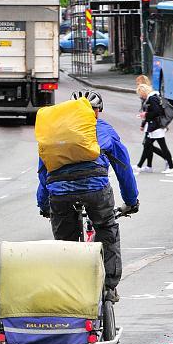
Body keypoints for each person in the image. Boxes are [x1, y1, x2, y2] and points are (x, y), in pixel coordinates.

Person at [37, 91, 139, 301]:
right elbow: (124, 168)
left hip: (59, 192)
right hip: (95, 189)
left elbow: (43, 172)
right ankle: (109, 287)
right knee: (106, 228)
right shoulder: (105, 130)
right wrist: (130, 201)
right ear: (97, 112)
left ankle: (67, 288)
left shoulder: (56, 134)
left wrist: (44, 204)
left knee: (65, 241)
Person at [135, 83, 173, 174]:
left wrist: (145, 114)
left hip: (156, 126)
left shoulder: (152, 99)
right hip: (155, 126)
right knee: (148, 145)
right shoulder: (154, 97)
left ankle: (171, 166)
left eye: (141, 94)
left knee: (161, 146)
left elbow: (157, 112)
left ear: (143, 92)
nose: (141, 96)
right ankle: (144, 166)